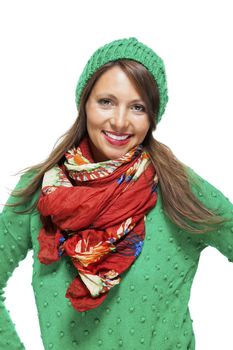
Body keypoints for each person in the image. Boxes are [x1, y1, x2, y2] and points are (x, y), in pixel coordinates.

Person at [0, 37, 232, 350]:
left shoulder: (179, 189)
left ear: (152, 116)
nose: (120, 122)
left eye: (138, 107)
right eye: (106, 101)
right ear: (85, 102)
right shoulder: (40, 190)